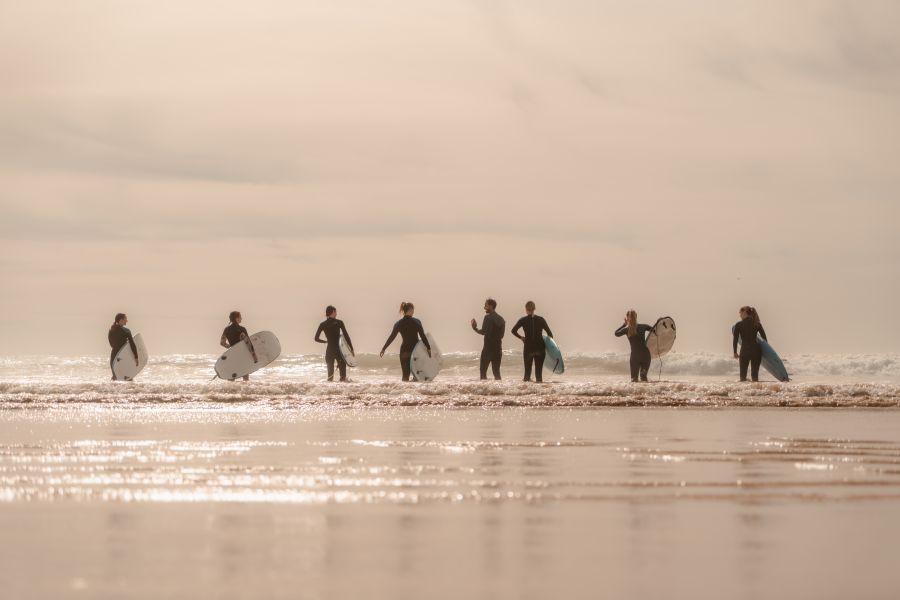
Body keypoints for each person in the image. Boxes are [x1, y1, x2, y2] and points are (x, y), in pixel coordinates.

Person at [380, 302, 431, 381]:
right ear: (410, 310)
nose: (413, 311)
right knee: (417, 377)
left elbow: (392, 337)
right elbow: (422, 336)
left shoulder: (398, 323)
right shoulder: (417, 322)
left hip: (404, 351)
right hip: (415, 351)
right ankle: (414, 389)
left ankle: (404, 388)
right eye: (413, 309)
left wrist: (384, 348)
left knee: (405, 376)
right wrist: (428, 347)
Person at [511, 301, 554, 382]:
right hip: (540, 348)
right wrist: (547, 345)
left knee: (527, 376)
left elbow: (513, 331)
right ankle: (539, 389)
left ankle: (526, 389)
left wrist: (521, 337)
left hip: (528, 348)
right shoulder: (541, 319)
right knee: (539, 375)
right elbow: (550, 335)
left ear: (526, 309)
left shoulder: (523, 320)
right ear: (534, 308)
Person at [314, 305, 354, 382]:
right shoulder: (339, 322)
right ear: (333, 312)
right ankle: (342, 389)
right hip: (339, 351)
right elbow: (346, 336)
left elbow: (316, 338)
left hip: (329, 351)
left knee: (330, 377)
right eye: (335, 312)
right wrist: (351, 349)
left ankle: (329, 389)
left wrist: (326, 341)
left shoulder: (323, 324)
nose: (336, 314)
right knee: (343, 377)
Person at [471, 298, 506, 380]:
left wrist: (474, 328)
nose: (484, 307)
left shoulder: (488, 317)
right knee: (496, 373)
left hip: (488, 349)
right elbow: (502, 336)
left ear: (491, 306)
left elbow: (483, 332)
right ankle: (500, 388)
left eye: (486, 305)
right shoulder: (502, 320)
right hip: (498, 349)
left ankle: (484, 388)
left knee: (483, 372)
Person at [615, 310, 653, 382]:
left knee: (634, 379)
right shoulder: (643, 326)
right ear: (636, 317)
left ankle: (638, 389)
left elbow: (616, 333)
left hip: (635, 357)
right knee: (644, 378)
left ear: (627, 318)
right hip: (646, 356)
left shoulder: (626, 329)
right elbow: (656, 330)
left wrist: (624, 325)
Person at [733, 306, 768, 382]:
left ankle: (745, 390)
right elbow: (764, 339)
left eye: (740, 313)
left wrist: (735, 352)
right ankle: (756, 389)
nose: (740, 315)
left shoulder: (739, 325)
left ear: (744, 312)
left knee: (742, 377)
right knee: (755, 377)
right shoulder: (757, 324)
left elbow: (735, 340)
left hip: (745, 351)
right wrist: (766, 352)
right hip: (756, 351)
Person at [220, 311, 255, 382]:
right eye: (240, 317)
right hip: (242, 354)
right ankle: (245, 388)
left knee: (231, 376)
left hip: (232, 354)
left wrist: (231, 347)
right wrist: (253, 356)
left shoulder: (226, 329)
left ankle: (229, 388)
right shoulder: (242, 329)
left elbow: (222, 343)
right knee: (245, 377)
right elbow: (248, 343)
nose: (241, 318)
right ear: (236, 318)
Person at [108, 313, 138, 380]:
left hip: (114, 356)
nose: (127, 321)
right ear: (121, 320)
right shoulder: (126, 331)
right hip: (124, 356)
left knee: (115, 377)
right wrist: (136, 357)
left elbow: (111, 344)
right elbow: (132, 344)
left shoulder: (111, 330)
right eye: (125, 319)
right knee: (127, 377)